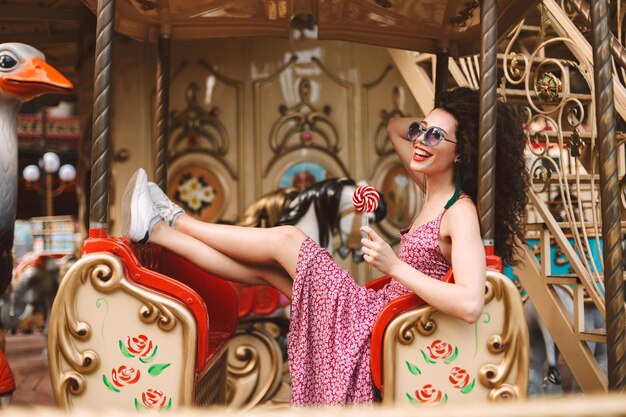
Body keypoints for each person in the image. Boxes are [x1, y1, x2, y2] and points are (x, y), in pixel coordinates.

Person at [121, 87, 528, 406]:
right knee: (268, 270)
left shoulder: (461, 211)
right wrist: (446, 115)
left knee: (286, 239)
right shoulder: (429, 187)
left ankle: (175, 217)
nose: (420, 139)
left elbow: (471, 303)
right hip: (375, 313)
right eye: (421, 130)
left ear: (461, 154)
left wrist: (394, 266)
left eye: (435, 136)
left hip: (375, 326)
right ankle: (157, 230)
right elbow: (393, 127)